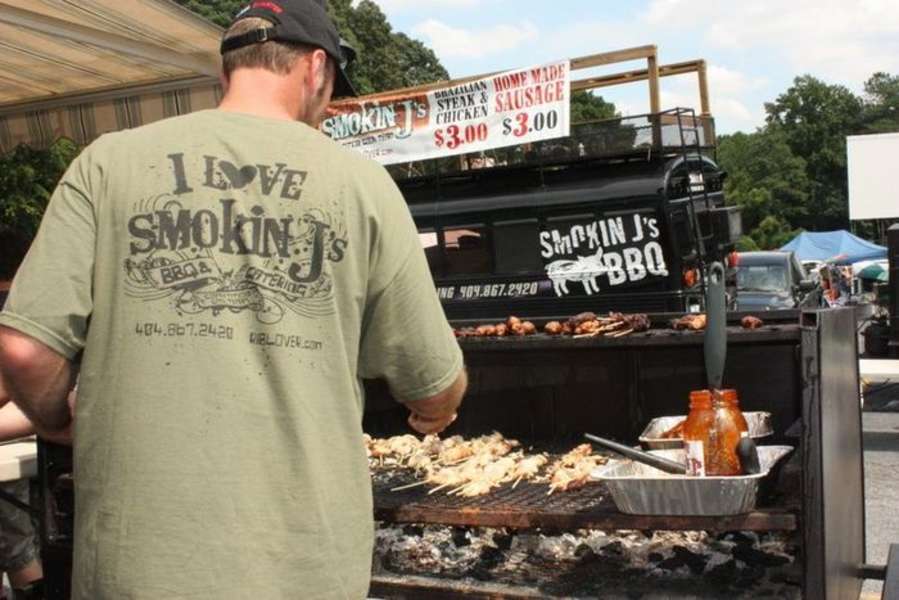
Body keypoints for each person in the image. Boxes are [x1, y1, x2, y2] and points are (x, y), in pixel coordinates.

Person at [0, 1, 466, 598]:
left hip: (135, 570)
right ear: (315, 70)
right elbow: (431, 380)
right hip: (303, 571)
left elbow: (21, 349)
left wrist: (62, 417)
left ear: (227, 72)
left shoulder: (105, 164)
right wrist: (437, 412)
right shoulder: (361, 184)